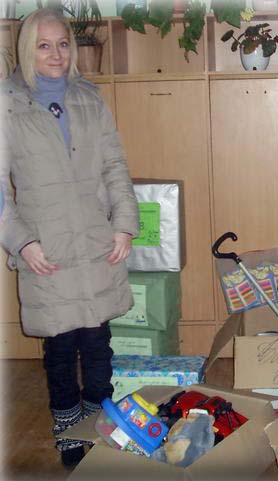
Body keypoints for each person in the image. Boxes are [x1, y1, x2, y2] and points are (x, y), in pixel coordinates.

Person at [0, 9, 139, 468]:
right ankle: (68, 435)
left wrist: (124, 223)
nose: (56, 54)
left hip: (96, 243)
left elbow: (115, 166)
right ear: (26, 49)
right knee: (60, 349)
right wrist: (21, 242)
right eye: (44, 45)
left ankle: (101, 429)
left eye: (62, 43)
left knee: (98, 344)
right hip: (47, 250)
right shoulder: (7, 103)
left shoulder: (89, 98)